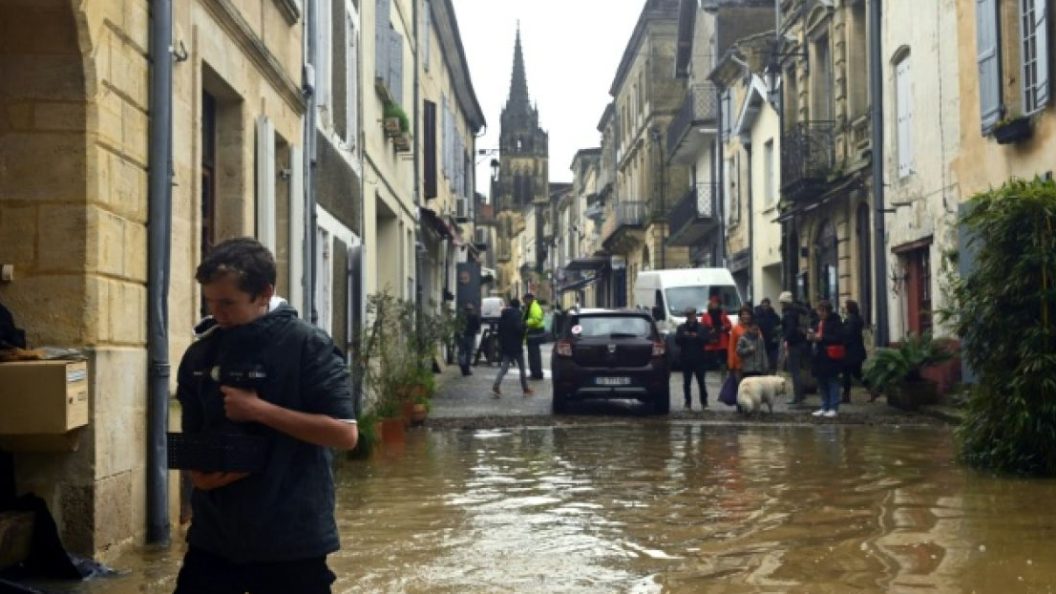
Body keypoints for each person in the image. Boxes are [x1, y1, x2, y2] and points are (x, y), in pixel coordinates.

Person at [174, 237, 357, 594]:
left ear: (264, 294)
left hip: (291, 540)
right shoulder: (200, 355)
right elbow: (193, 440)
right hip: (214, 538)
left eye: (228, 303)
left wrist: (259, 411)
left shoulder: (308, 345)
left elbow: (345, 434)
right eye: (210, 302)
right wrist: (200, 475)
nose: (217, 313)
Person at [808, 299, 845, 418]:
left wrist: (822, 338)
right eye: (819, 311)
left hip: (830, 356)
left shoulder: (835, 322)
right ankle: (824, 406)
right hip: (818, 356)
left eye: (822, 311)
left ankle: (833, 407)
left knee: (832, 381)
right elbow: (814, 333)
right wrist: (811, 336)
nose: (820, 313)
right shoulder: (817, 322)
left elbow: (839, 338)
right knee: (821, 382)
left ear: (827, 311)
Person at [493, 298, 533, 397]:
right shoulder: (518, 314)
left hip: (506, 345)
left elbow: (499, 329)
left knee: (504, 367)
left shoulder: (504, 314)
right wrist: (524, 329)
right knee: (522, 368)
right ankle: (525, 388)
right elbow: (519, 328)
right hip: (516, 345)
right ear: (518, 306)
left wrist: (501, 342)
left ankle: (496, 384)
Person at [674, 306, 711, 409]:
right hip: (686, 359)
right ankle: (687, 402)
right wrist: (685, 336)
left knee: (701, 382)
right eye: (688, 315)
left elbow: (707, 340)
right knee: (686, 383)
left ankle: (704, 402)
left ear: (695, 315)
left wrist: (697, 336)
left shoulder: (702, 327)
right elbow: (677, 341)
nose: (690, 317)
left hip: (700, 359)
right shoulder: (681, 328)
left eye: (692, 314)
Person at [779, 291, 809, 405]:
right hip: (803, 342)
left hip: (794, 344)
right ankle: (801, 394)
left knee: (794, 371)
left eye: (782, 302)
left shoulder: (789, 313)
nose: (781, 305)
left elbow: (790, 329)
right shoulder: (799, 310)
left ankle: (798, 396)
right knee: (800, 370)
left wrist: (785, 339)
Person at [842, 299, 869, 403]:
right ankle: (873, 388)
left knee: (848, 373)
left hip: (851, 351)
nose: (844, 309)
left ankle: (846, 396)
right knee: (856, 373)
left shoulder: (851, 320)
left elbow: (848, 334)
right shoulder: (857, 319)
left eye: (846, 307)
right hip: (857, 350)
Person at [700, 293, 732, 376]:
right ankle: (706, 374)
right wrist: (709, 330)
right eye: (713, 303)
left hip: (722, 340)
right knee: (708, 358)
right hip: (711, 340)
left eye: (716, 303)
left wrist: (724, 327)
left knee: (723, 358)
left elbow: (729, 325)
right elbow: (702, 327)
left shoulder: (723, 314)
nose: (714, 305)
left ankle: (723, 375)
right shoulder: (705, 315)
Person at [754, 298, 781, 374]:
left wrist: (776, 336)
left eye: (767, 305)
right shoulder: (756, 315)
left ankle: (772, 375)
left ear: (769, 305)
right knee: (762, 362)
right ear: (761, 305)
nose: (765, 306)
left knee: (773, 362)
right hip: (761, 342)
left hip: (772, 343)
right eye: (764, 304)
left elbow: (779, 327)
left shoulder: (774, 316)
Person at [727, 306, 754, 381]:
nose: (746, 316)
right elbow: (731, 347)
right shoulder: (735, 329)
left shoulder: (755, 328)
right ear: (740, 316)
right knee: (740, 386)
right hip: (739, 364)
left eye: (748, 314)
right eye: (743, 314)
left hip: (753, 365)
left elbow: (760, 346)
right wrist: (731, 364)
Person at [523, 292, 546, 380]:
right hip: (533, 334)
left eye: (525, 300)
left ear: (529, 299)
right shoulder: (531, 306)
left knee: (534, 355)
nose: (524, 302)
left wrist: (526, 323)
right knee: (533, 355)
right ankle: (535, 373)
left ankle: (536, 374)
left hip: (535, 334)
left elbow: (536, 319)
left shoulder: (534, 307)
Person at [457, 303, 481, 377]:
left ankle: (462, 367)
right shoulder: (474, 316)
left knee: (461, 353)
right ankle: (467, 370)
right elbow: (477, 326)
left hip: (462, 337)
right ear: (472, 310)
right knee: (468, 354)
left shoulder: (461, 317)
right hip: (471, 337)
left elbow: (457, 326)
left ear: (465, 310)